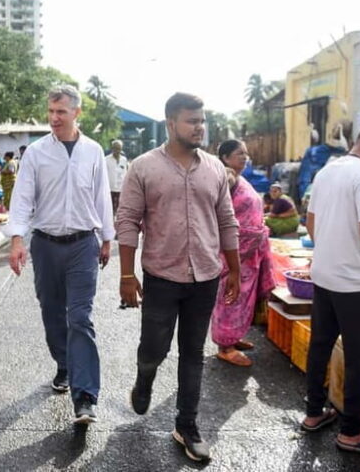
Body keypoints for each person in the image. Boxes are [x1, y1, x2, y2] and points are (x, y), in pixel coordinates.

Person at [116, 92, 240, 462]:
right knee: (154, 348)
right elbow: (127, 222)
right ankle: (145, 377)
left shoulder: (216, 168)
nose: (199, 127)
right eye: (192, 121)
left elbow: (226, 221)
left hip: (205, 276)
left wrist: (234, 269)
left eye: (202, 120)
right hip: (162, 276)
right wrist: (126, 274)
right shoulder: (143, 167)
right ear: (171, 123)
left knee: (193, 354)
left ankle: (186, 425)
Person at [6, 85, 114, 425]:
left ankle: (85, 398)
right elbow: (22, 198)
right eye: (50, 112)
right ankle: (65, 364)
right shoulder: (36, 153)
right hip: (46, 244)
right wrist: (16, 240)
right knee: (52, 311)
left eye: (61, 112)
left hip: (84, 244)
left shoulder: (93, 151)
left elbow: (102, 197)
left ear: (76, 113)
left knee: (80, 318)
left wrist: (107, 238)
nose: (53, 118)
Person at [300, 121, 360, 456]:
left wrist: (330, 247)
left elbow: (310, 221)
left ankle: (314, 413)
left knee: (320, 344)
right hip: (355, 284)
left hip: (324, 275)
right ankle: (351, 432)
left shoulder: (328, 171)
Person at [211, 140, 276, 367]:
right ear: (226, 157)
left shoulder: (242, 178)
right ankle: (225, 346)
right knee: (230, 298)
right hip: (234, 253)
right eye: (240, 153)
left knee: (243, 300)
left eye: (246, 154)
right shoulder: (225, 177)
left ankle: (233, 337)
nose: (245, 157)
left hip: (250, 253)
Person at [105, 139, 129, 215]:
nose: (117, 150)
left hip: (121, 188)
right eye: (115, 148)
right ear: (112, 148)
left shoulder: (124, 160)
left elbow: (126, 173)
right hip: (109, 188)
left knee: (120, 209)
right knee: (110, 209)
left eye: (118, 148)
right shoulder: (106, 160)